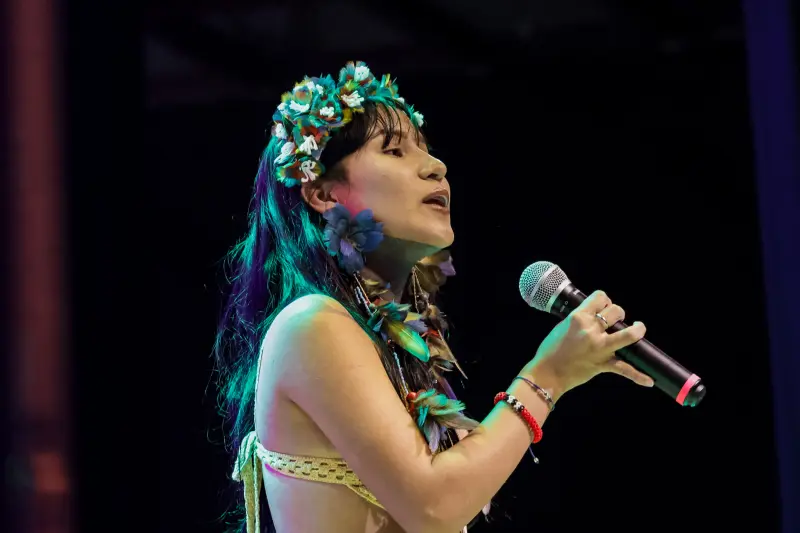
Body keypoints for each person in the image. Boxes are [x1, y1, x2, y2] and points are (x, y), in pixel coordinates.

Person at [214, 61, 654, 533]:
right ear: (323, 194)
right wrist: (549, 374)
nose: (436, 167)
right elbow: (434, 507)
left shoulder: (391, 340)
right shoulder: (312, 323)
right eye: (394, 150)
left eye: (424, 148)